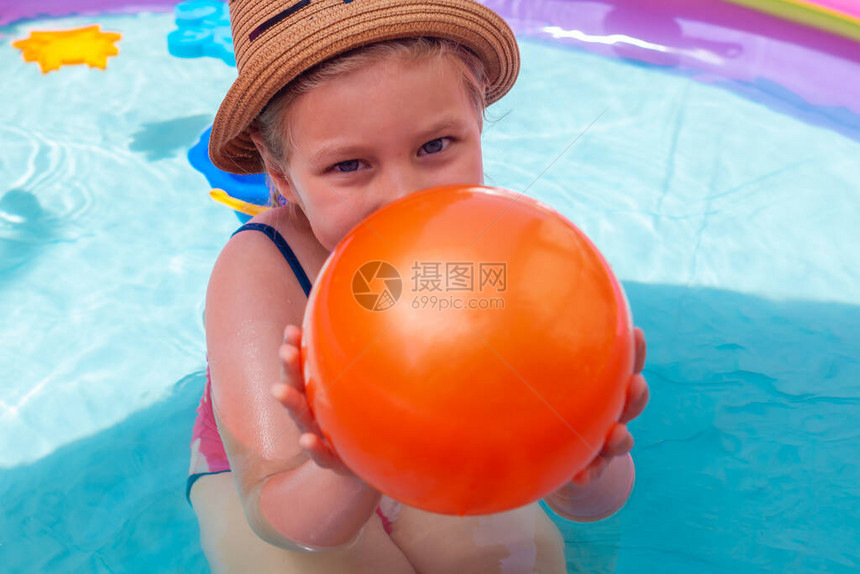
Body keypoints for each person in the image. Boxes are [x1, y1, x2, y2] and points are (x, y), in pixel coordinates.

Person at [187, 1, 650, 572]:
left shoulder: (513, 251)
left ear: (476, 117)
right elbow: (281, 519)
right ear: (281, 173)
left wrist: (583, 454)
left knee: (519, 562)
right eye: (350, 165)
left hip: (434, 428)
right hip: (293, 473)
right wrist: (350, 457)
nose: (406, 198)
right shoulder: (260, 269)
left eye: (435, 147)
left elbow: (591, 507)